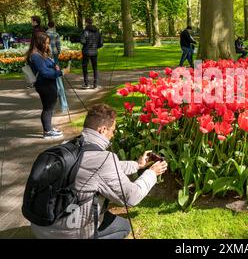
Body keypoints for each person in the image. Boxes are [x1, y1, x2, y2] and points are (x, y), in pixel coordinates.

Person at [30, 104, 168, 239]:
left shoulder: (67, 146)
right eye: (113, 130)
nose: (113, 135)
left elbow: (101, 168)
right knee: (124, 226)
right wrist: (151, 173)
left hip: (41, 223)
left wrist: (137, 165)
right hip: (66, 234)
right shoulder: (103, 159)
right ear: (102, 130)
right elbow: (131, 197)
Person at [26, 33, 70, 139]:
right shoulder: (35, 56)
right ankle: (47, 131)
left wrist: (54, 65)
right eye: (46, 43)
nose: (47, 45)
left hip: (47, 84)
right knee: (48, 108)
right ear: (39, 43)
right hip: (45, 85)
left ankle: (48, 128)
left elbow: (47, 65)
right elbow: (45, 73)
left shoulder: (40, 53)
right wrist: (62, 72)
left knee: (49, 108)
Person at [80, 18, 103, 89]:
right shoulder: (97, 32)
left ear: (86, 23)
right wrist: (95, 47)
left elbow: (82, 41)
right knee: (95, 68)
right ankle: (95, 84)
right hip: (94, 52)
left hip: (86, 52)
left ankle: (86, 83)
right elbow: (101, 43)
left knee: (85, 67)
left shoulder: (85, 32)